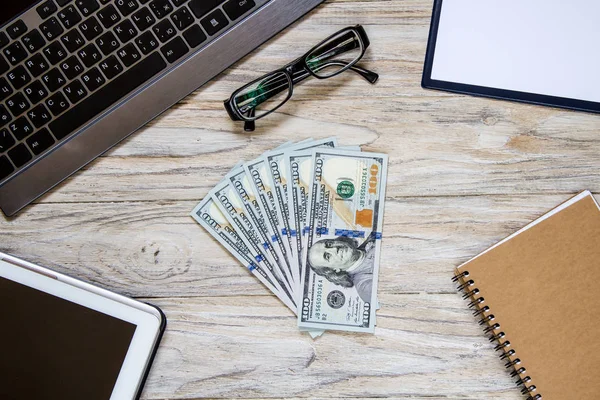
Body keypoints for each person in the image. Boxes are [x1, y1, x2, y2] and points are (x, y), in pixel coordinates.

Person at [307, 235, 376, 302]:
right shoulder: (365, 286)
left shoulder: (373, 235)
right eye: (328, 256)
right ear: (334, 270)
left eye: (329, 244)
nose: (335, 249)